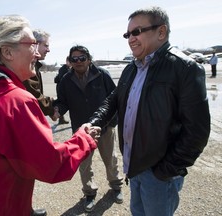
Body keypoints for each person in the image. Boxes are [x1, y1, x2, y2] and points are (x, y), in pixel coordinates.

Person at [0, 15, 101, 216]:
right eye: (32, 44)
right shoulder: (14, 101)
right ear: (7, 52)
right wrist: (84, 139)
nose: (37, 54)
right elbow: (51, 165)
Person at [87, 6, 211, 216]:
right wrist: (95, 122)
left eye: (137, 32)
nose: (130, 39)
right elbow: (113, 100)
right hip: (134, 166)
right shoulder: (131, 68)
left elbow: (197, 132)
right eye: (128, 34)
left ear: (161, 32)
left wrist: (165, 170)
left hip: (159, 173)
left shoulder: (184, 68)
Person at [54, 45, 124, 213]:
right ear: (70, 62)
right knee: (84, 165)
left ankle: (116, 186)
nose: (78, 62)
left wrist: (113, 122)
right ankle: (89, 193)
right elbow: (62, 101)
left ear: (89, 59)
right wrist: (57, 110)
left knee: (111, 159)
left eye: (81, 58)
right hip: (81, 131)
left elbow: (114, 98)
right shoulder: (65, 80)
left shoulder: (102, 75)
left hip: (104, 127)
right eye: (74, 59)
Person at [22, 29, 58, 121]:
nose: (48, 50)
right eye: (46, 45)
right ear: (35, 44)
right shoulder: (26, 64)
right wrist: (51, 109)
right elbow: (33, 94)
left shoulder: (34, 64)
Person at [54, 56, 70, 124]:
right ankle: (60, 118)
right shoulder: (64, 69)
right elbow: (63, 80)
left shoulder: (67, 68)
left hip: (62, 88)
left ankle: (61, 119)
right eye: (69, 61)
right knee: (63, 103)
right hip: (62, 89)